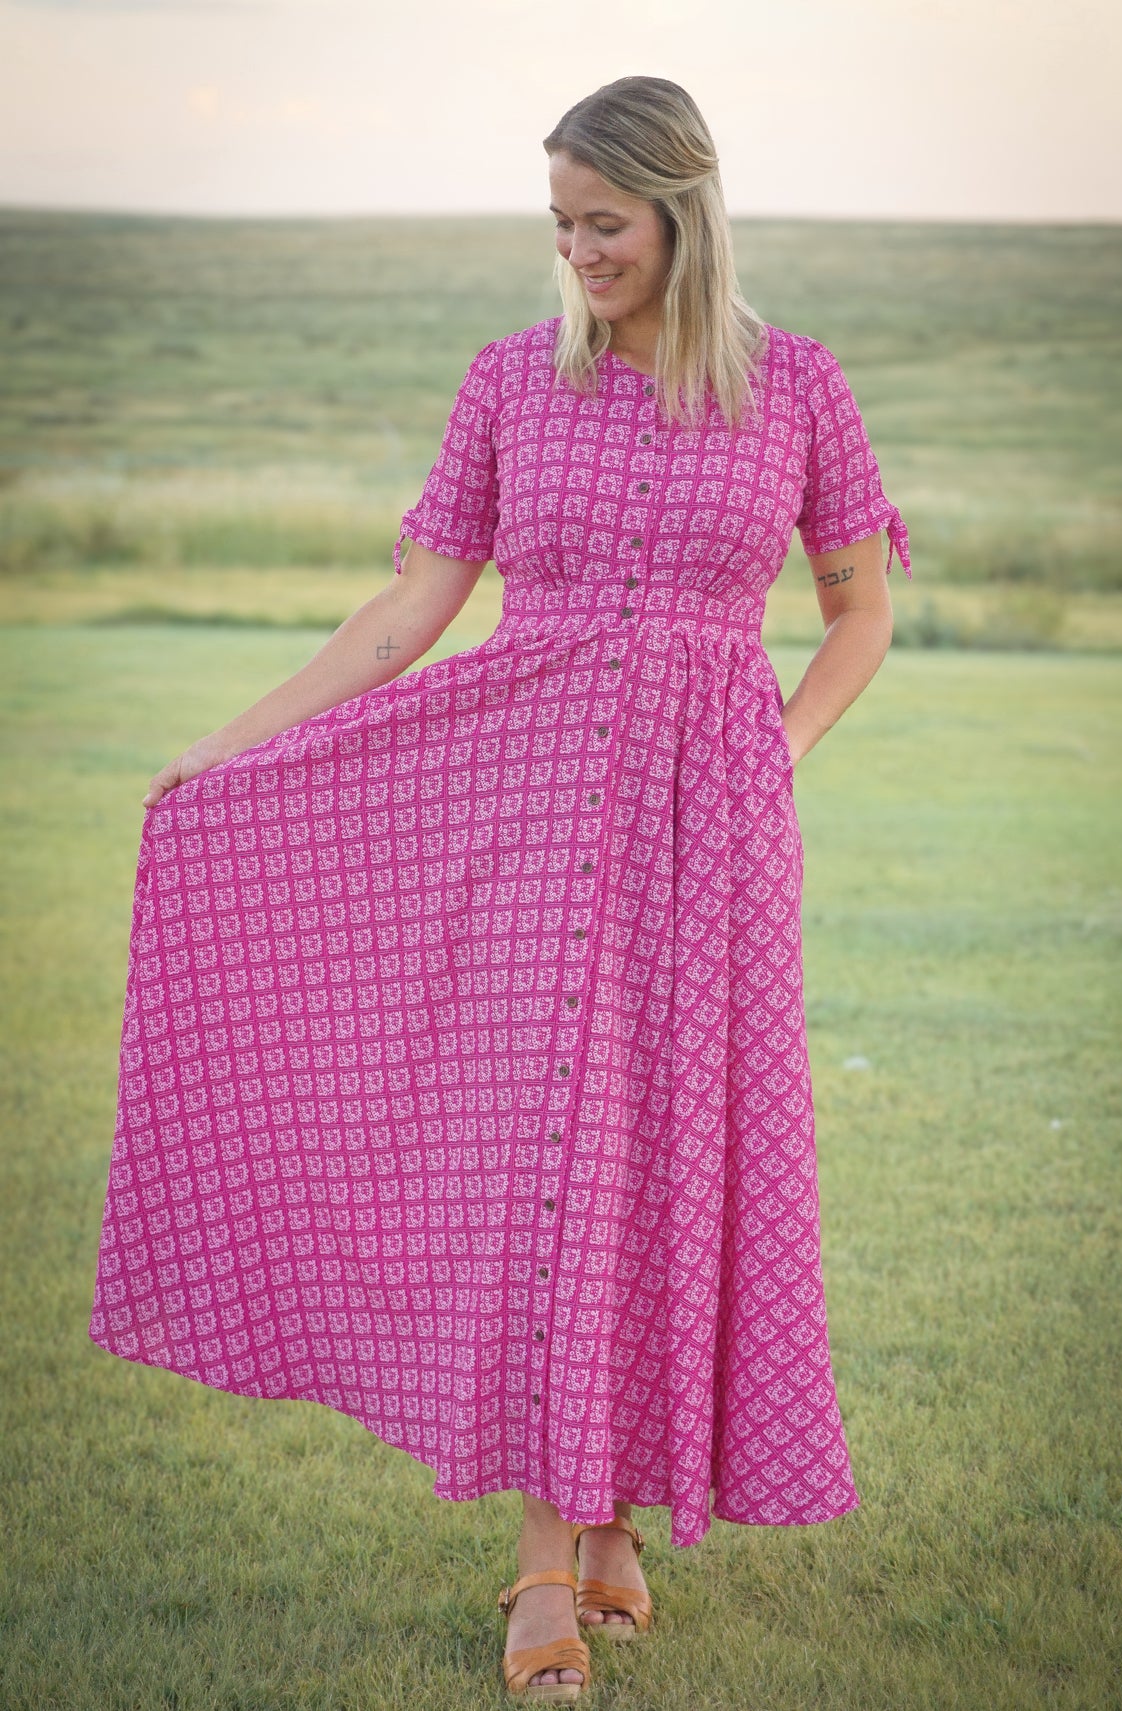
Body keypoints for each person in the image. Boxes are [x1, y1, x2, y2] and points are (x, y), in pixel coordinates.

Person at [89, 75, 910, 1705]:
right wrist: (234, 744)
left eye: (603, 223)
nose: (577, 251)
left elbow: (861, 610)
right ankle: (552, 1545)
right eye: (559, 224)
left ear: (686, 209)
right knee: (546, 1157)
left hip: (713, 833)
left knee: (663, 1151)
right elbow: (410, 612)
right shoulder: (510, 386)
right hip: (525, 823)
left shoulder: (801, 388)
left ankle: (609, 1528)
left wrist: (780, 750)